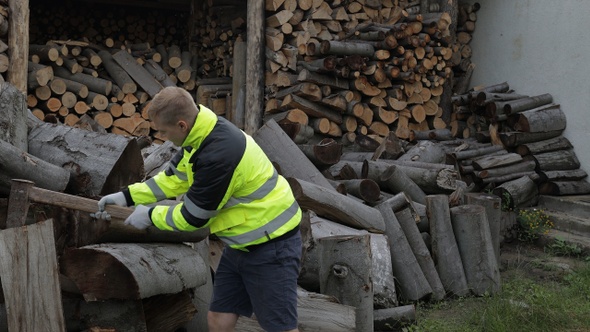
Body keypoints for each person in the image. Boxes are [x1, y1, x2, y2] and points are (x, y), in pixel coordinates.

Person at [94, 86, 302, 332]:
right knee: (218, 317)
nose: (162, 136)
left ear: (181, 125)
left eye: (163, 131)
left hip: (272, 245)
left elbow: (193, 218)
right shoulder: (200, 136)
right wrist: (126, 196)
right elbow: (173, 178)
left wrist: (150, 216)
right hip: (242, 244)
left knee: (280, 328)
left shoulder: (219, 155)